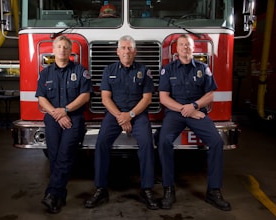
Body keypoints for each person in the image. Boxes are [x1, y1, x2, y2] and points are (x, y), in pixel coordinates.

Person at [157, 34, 231, 211]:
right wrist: (185, 109)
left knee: (216, 142)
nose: (185, 48)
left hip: (197, 112)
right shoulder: (168, 70)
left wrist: (194, 106)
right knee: (164, 141)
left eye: (188, 45)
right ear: (176, 49)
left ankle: (213, 191)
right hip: (176, 113)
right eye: (182, 45)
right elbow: (164, 98)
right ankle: (168, 189)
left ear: (193, 48)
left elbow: (211, 94)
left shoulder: (203, 68)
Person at [85, 35, 158, 210]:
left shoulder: (144, 70)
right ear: (118, 52)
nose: (126, 51)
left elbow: (147, 99)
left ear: (135, 52)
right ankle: (101, 189)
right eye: (123, 48)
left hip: (138, 114)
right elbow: (105, 98)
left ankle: (147, 189)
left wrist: (130, 115)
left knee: (147, 143)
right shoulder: (108, 70)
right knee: (101, 142)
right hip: (114, 114)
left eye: (130, 48)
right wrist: (120, 116)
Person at [35, 35, 93, 214]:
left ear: (70, 51)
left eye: (65, 47)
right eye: (59, 47)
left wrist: (65, 110)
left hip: (73, 118)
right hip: (53, 118)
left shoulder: (80, 70)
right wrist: (57, 113)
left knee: (65, 153)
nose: (62, 50)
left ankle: (52, 194)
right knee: (54, 155)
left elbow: (85, 96)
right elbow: (41, 97)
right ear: (53, 50)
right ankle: (59, 196)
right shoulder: (45, 73)